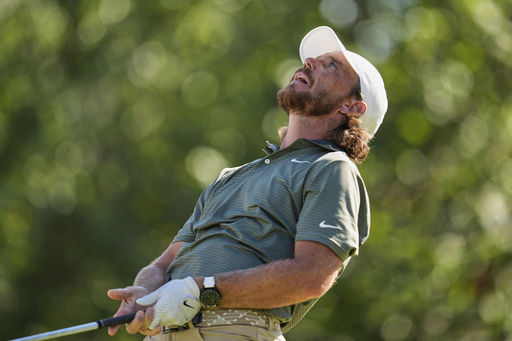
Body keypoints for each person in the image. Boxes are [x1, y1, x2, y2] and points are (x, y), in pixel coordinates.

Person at [107, 26, 387, 341]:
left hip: (238, 331)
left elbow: (311, 275)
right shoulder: (231, 175)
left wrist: (202, 290)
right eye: (313, 59)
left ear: (352, 107)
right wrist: (146, 291)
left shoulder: (331, 168)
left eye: (331, 65)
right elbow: (165, 264)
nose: (309, 63)